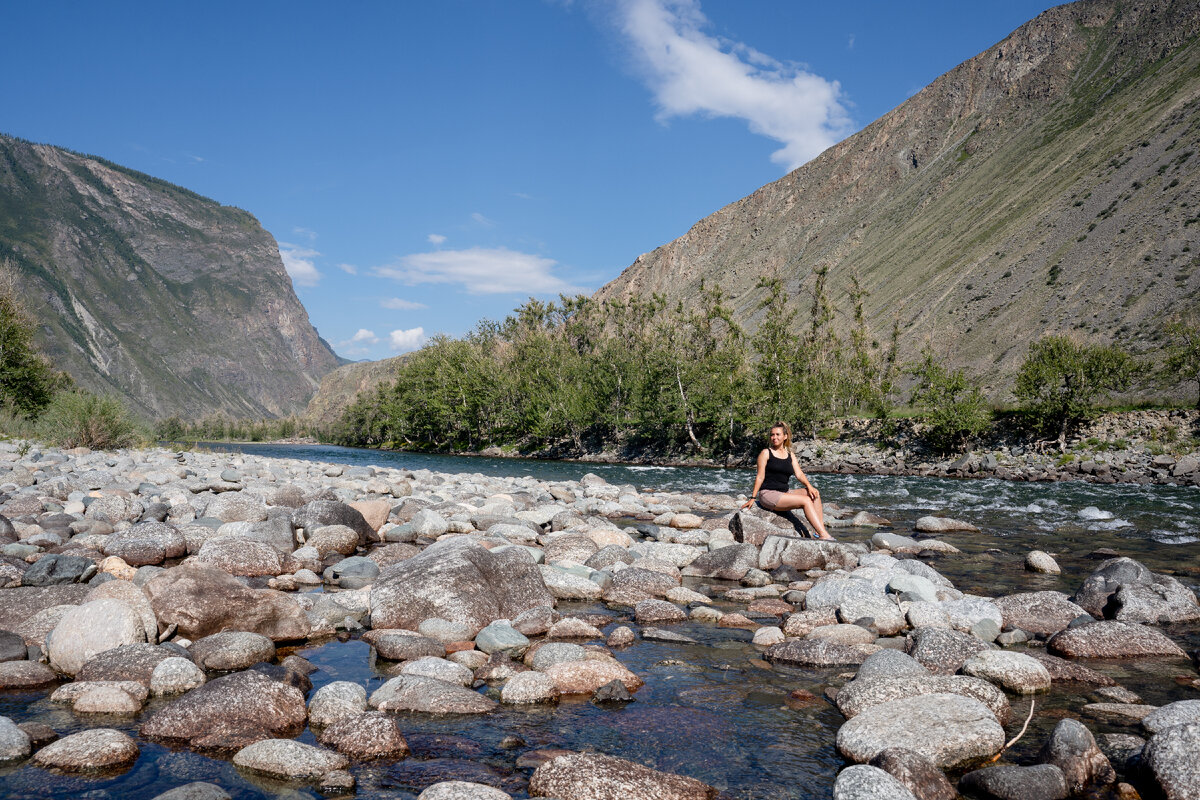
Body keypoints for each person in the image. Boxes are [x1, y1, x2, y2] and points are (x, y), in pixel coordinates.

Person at [740, 421, 834, 540]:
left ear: (785, 437)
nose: (774, 437)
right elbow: (760, 477)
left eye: (778, 434)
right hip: (768, 494)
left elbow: (799, 474)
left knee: (815, 494)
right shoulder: (766, 453)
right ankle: (824, 536)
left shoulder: (790, 454)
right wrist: (753, 498)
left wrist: (809, 486)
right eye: (772, 435)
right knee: (805, 501)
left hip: (784, 492)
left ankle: (819, 531)